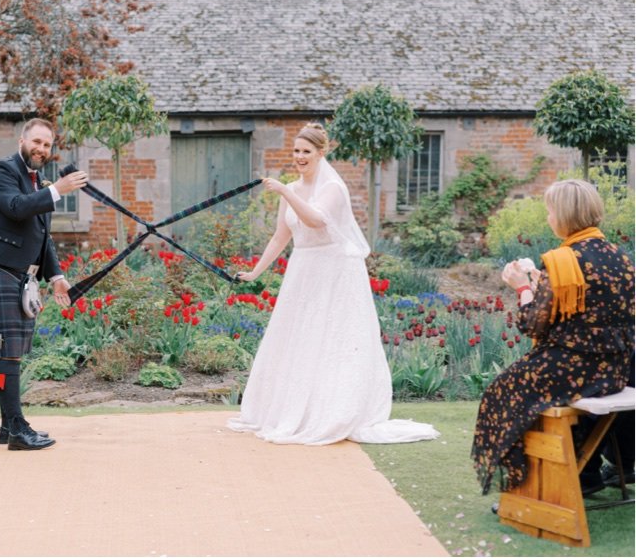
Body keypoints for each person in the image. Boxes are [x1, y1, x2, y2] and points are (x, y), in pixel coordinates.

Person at [230, 123, 438, 445]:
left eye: (306, 152)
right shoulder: (292, 188)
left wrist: (285, 191)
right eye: (296, 151)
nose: (300, 157)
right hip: (303, 269)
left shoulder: (333, 188)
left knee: (330, 338)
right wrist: (255, 272)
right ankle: (294, 409)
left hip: (333, 270)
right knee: (299, 337)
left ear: (320, 153)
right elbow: (280, 236)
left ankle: (330, 412)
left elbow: (316, 219)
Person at [473, 178, 633, 496]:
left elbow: (533, 325)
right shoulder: (621, 257)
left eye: (549, 211)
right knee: (558, 397)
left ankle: (525, 486)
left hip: (573, 369)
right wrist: (544, 285)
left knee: (502, 393)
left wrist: (522, 287)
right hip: (615, 371)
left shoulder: (561, 261)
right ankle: (586, 476)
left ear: (562, 215)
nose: (548, 218)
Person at [0, 118, 87, 450]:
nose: (42, 149)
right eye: (37, 142)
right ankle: (16, 429)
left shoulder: (37, 183)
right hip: (0, 271)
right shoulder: (3, 172)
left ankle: (7, 425)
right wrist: (57, 190)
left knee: (9, 355)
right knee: (8, 355)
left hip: (21, 277)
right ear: (22, 141)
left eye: (48, 145)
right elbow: (15, 209)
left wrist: (57, 277)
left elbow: (43, 237)